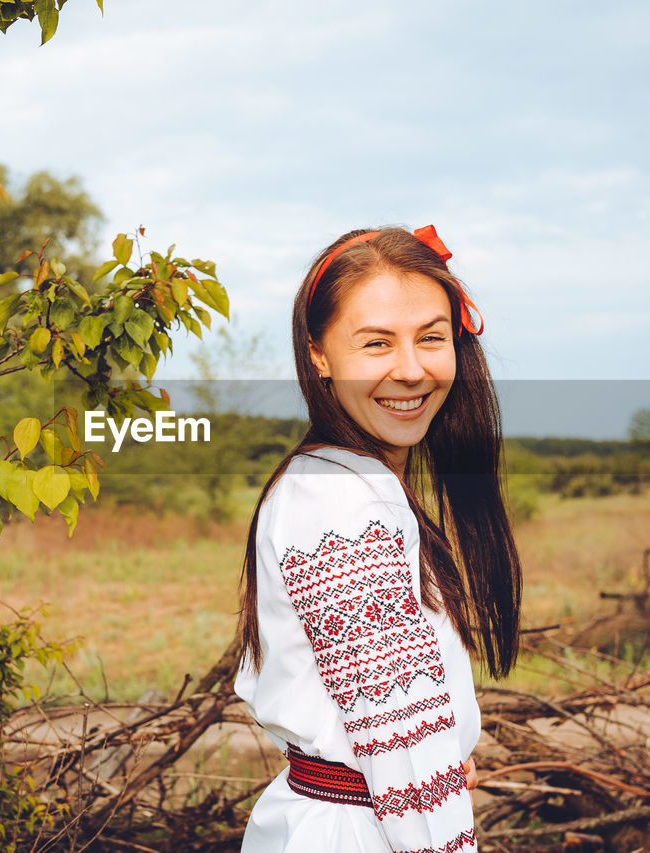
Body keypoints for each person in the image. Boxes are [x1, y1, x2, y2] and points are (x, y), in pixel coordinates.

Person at [233, 225, 523, 852]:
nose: (412, 369)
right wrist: (433, 797)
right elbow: (399, 737)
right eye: (376, 343)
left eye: (431, 338)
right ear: (319, 354)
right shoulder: (340, 498)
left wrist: (440, 760)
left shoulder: (349, 483)